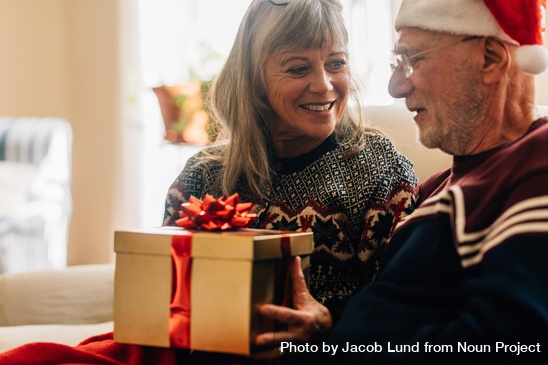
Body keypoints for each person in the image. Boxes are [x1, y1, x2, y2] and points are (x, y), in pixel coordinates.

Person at [254, 0, 548, 363]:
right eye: (397, 64)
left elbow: (514, 346)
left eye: (412, 60)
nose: (396, 87)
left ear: (490, 59)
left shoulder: (536, 167)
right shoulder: (439, 189)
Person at [163, 0, 417, 326]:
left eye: (336, 63)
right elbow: (167, 306)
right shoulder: (202, 177)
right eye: (299, 68)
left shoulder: (380, 169)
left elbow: (406, 319)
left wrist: (325, 338)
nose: (324, 85)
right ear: (254, 79)